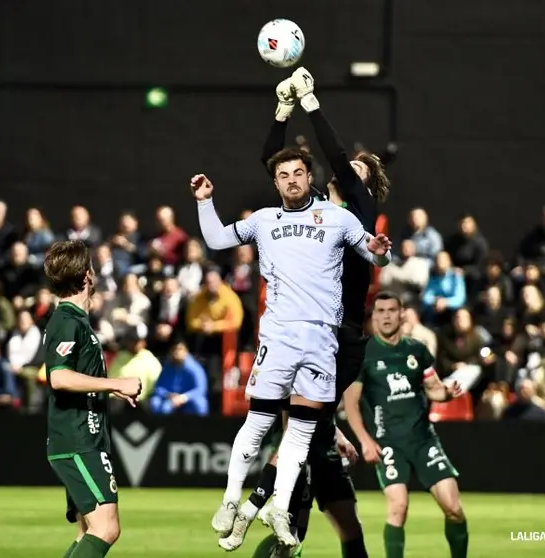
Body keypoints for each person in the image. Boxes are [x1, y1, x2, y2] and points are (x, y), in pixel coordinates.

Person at [192, 146, 392, 548]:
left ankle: (280, 509)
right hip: (280, 336)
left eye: (298, 173)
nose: (292, 180)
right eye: (284, 175)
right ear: (276, 182)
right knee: (260, 423)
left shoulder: (339, 219)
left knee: (300, 434)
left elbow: (374, 253)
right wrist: (206, 201)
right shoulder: (264, 221)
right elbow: (216, 238)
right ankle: (231, 500)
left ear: (309, 176)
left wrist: (380, 253)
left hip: (322, 340)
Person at [238, 66, 392, 558]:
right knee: (305, 433)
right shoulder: (314, 213)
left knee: (300, 430)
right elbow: (273, 161)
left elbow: (340, 162)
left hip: (340, 333)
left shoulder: (359, 212)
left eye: (359, 174)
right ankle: (292, 506)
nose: (348, 175)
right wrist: (281, 113)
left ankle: (259, 501)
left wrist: (312, 103)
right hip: (299, 331)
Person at [344, 291, 469, 558]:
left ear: (402, 315)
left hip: (423, 440)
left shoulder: (417, 350)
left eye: (392, 310)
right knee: (398, 507)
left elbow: (433, 388)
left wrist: (447, 392)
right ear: (374, 317)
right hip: (388, 444)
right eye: (381, 311)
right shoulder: (364, 354)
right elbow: (351, 403)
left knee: (454, 509)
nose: (386, 316)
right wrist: (365, 440)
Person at [42, 240, 142, 558]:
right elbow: (58, 376)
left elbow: (75, 374)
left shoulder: (76, 321)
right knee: (106, 528)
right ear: (88, 275)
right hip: (78, 439)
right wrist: (117, 382)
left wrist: (105, 388)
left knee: (87, 529)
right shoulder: (67, 322)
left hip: (85, 437)